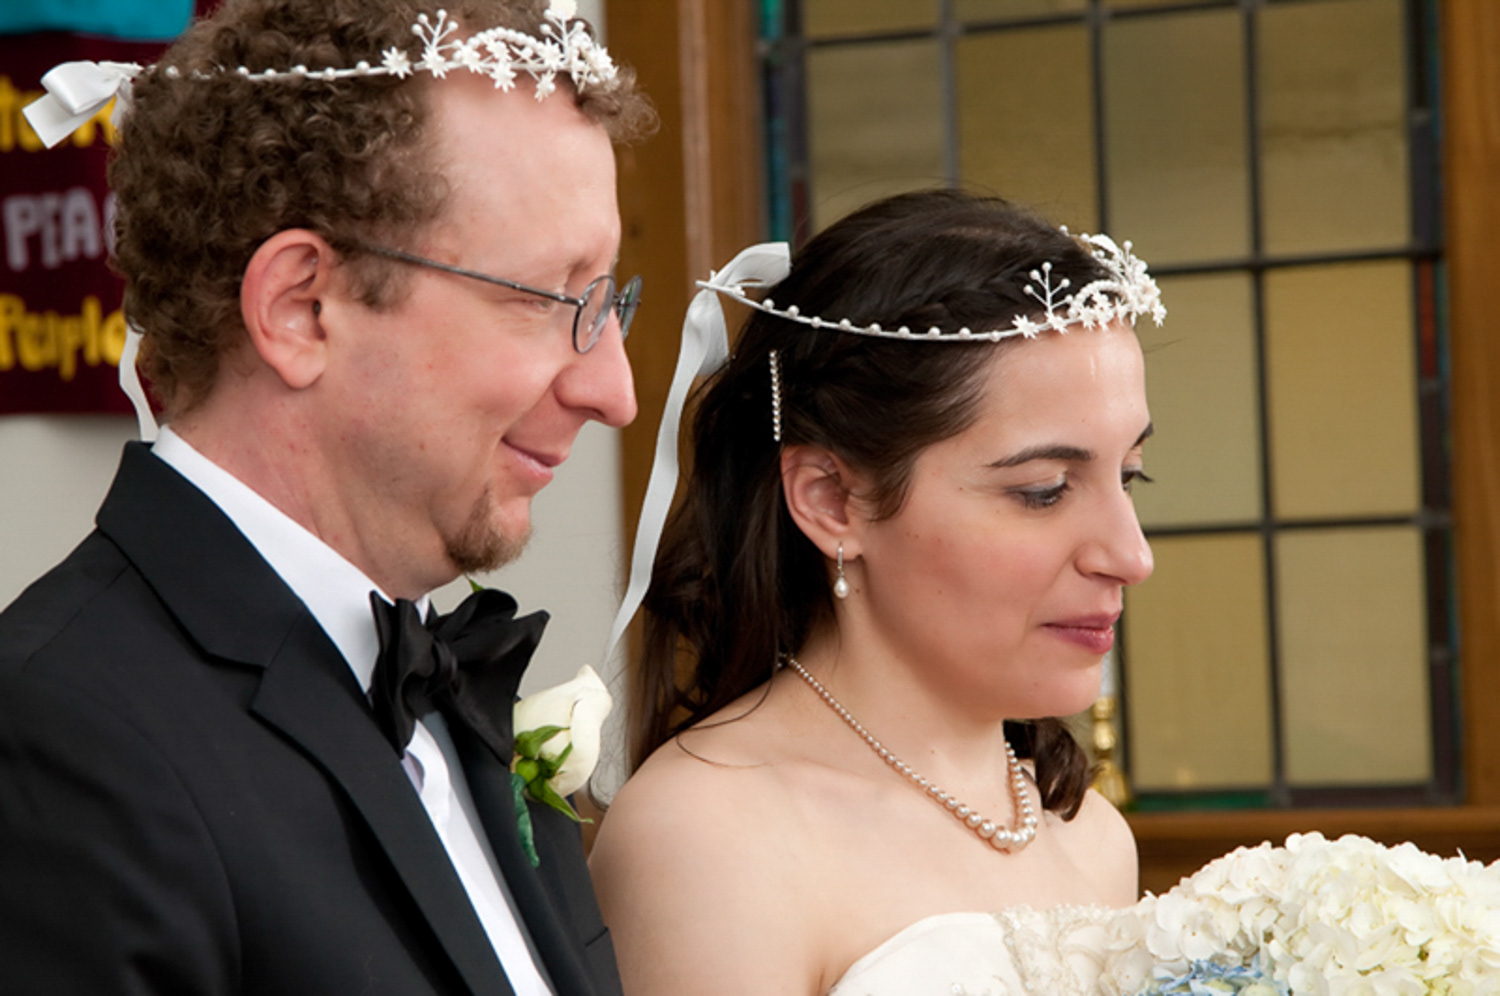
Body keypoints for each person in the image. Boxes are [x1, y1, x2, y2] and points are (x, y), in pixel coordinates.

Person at [0, 1, 652, 993]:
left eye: (609, 301)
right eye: (550, 300)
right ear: (301, 309)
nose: (616, 391)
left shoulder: (442, 679)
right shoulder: (60, 743)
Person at [589, 189, 1164, 995]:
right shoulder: (709, 835)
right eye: (1042, 490)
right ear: (832, 500)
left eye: (1131, 476)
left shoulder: (1091, 837)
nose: (1129, 556)